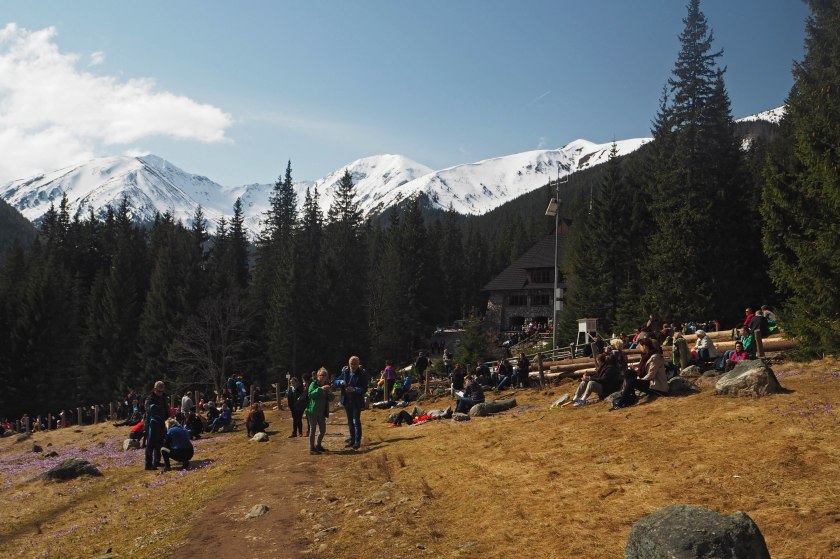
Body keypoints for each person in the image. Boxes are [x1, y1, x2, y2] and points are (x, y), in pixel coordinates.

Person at [335, 356, 368, 450]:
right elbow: (336, 381)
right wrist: (340, 382)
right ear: (349, 363)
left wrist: (354, 389)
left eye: (355, 364)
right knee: (350, 421)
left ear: (358, 364)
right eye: (351, 364)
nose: (353, 366)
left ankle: (357, 441)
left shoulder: (362, 373)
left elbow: (364, 388)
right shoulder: (345, 372)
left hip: (356, 401)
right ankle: (352, 439)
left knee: (356, 421)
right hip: (347, 400)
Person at [306, 367, 334, 454]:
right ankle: (312, 448)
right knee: (313, 429)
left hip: (322, 411)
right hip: (312, 411)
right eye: (321, 375)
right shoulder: (313, 384)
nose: (323, 377)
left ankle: (318, 445)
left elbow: (331, 398)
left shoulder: (327, 385)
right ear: (318, 376)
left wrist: (330, 392)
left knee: (323, 430)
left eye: (325, 375)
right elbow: (310, 395)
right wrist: (320, 389)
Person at [144, 381, 168, 471]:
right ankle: (148, 464)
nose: (160, 393)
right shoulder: (150, 399)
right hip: (152, 423)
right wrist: (153, 410)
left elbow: (166, 409)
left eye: (162, 391)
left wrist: (167, 417)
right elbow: (148, 409)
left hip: (162, 422)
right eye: (158, 391)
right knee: (150, 444)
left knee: (160, 442)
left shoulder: (164, 398)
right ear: (154, 389)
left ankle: (157, 461)